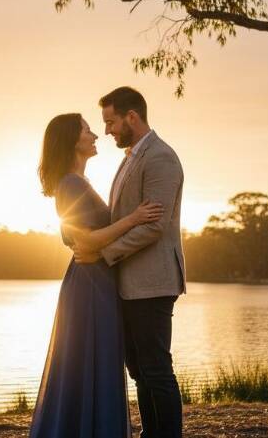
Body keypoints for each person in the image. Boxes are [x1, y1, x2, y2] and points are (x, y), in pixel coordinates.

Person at [31, 112, 164, 438]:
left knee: (93, 362)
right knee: (94, 361)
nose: (95, 135)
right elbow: (85, 240)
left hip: (94, 280)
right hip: (90, 286)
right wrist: (134, 218)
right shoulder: (71, 184)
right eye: (88, 130)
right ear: (73, 141)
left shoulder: (76, 182)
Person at [74, 87, 187, 438]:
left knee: (156, 369)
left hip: (153, 282)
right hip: (130, 283)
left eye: (110, 122)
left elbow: (153, 226)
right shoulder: (130, 158)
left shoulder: (160, 158)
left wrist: (103, 254)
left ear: (131, 117)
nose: (107, 130)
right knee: (139, 368)